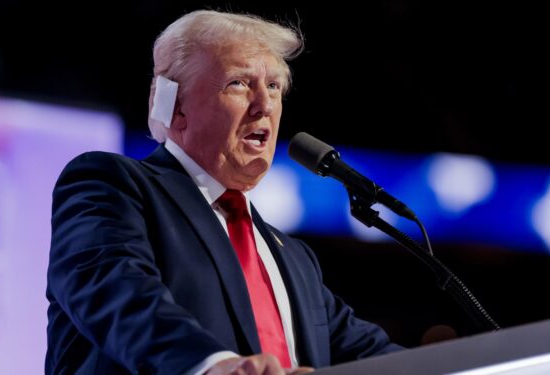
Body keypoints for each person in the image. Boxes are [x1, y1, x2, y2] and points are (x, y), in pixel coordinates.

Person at [46, 9, 402, 375]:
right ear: (176, 105)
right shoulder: (112, 185)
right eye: (239, 83)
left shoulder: (295, 258)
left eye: (274, 87)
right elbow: (114, 291)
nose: (264, 105)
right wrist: (214, 365)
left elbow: (371, 354)